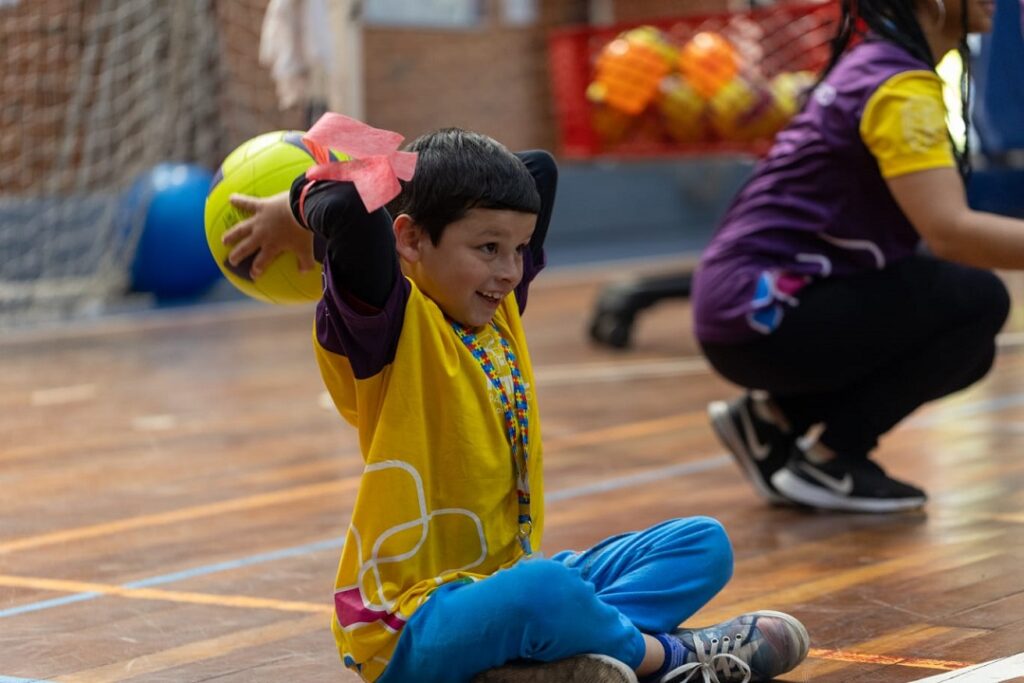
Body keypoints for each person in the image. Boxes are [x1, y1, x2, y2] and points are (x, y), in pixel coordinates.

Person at [223, 114, 809, 683]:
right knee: (546, 593)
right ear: (409, 239)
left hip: (500, 586)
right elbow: (349, 211)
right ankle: (672, 657)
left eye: (520, 249)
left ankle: (545, 662)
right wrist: (302, 200)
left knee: (701, 542)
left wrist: (425, 177)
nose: (509, 272)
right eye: (487, 249)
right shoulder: (386, 327)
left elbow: (538, 170)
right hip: (407, 623)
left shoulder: (496, 305)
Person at [693, 0, 1014, 514]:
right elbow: (950, 232)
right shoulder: (900, 87)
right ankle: (830, 459)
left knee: (968, 337)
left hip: (745, 303)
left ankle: (775, 418)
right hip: (767, 313)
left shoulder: (875, 64)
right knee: (976, 300)